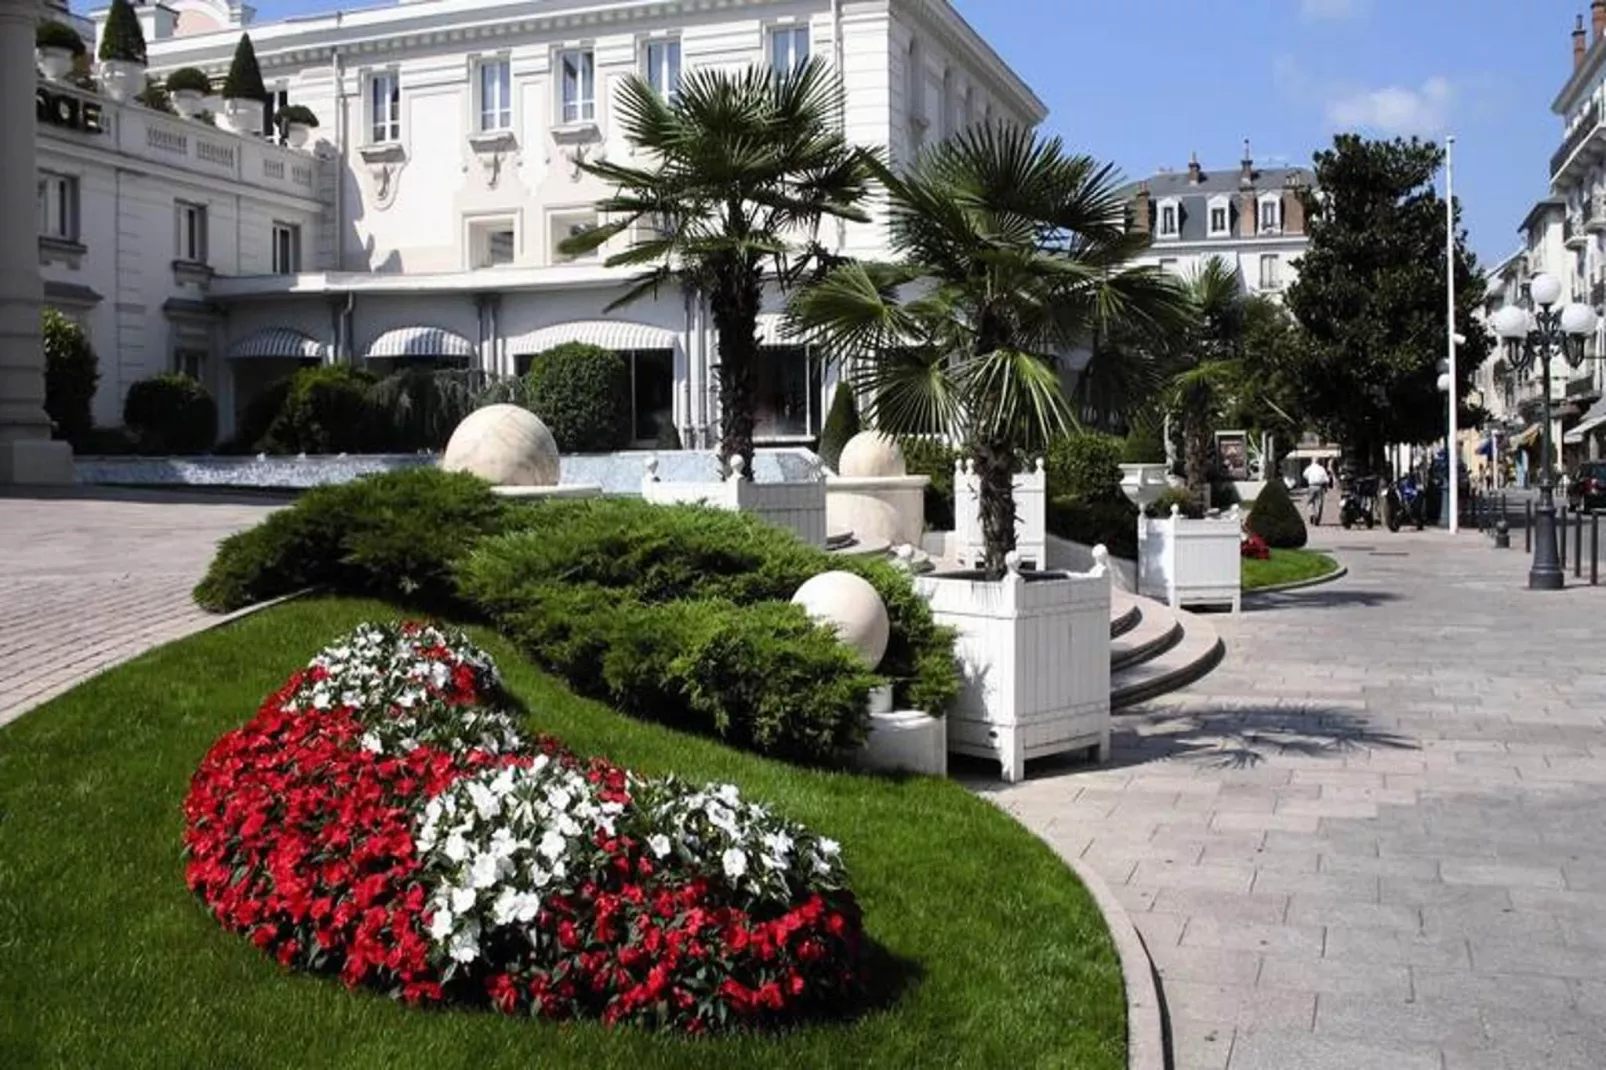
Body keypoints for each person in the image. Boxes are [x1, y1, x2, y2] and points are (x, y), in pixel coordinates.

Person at [1302, 458, 1331, 524]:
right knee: (1319, 503)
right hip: (1319, 486)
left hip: (1311, 486)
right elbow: (1326, 479)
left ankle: (1312, 513)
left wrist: (1309, 478)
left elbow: (1304, 475)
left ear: (1312, 461)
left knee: (1310, 502)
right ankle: (1317, 517)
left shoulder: (1309, 468)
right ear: (1319, 462)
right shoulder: (1321, 469)